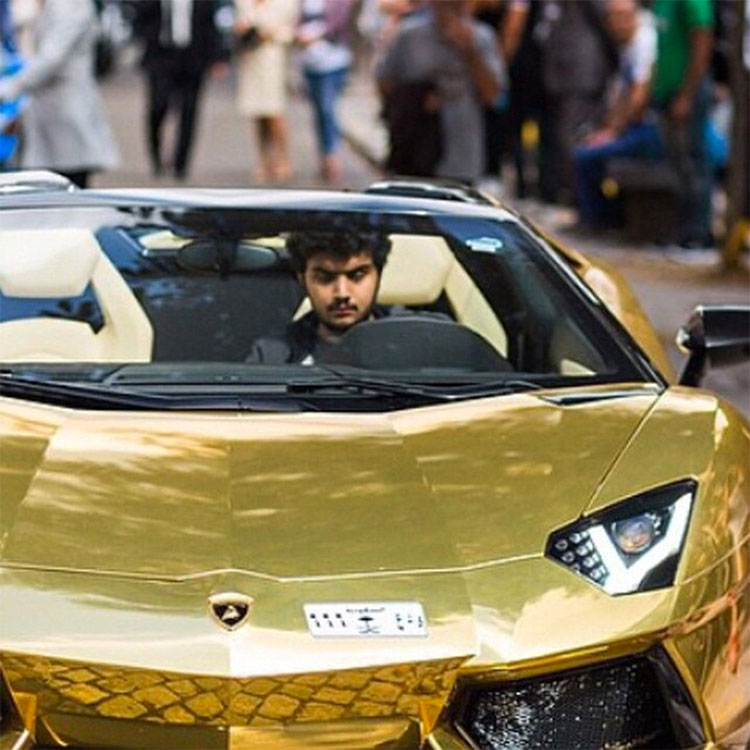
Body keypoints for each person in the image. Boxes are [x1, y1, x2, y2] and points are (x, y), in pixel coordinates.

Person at [376, 0, 504, 183]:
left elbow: (493, 96)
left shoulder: (482, 38)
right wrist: (416, 97)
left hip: (461, 157)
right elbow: (385, 83)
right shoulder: (409, 35)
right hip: (413, 154)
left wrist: (470, 52)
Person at [0, 0, 119, 187]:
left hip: (68, 113)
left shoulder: (73, 5)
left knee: (69, 189)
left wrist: (11, 87)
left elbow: (52, 59)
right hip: (49, 114)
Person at [573, 0, 662, 229]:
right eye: (612, 17)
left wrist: (613, 132)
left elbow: (638, 96)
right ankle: (605, 216)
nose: (617, 24)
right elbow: (620, 95)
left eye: (623, 16)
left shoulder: (645, 41)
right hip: (632, 126)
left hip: (650, 128)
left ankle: (599, 220)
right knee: (584, 146)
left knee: (586, 156)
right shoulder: (627, 46)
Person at [247, 231, 392, 364]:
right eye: (325, 278)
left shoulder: (411, 340)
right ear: (302, 280)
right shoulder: (272, 356)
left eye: (357, 276)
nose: (342, 294)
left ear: (378, 275)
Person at [130, 0, 230, 180]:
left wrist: (219, 57)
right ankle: (157, 158)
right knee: (157, 107)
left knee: (189, 112)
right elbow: (139, 16)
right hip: (161, 57)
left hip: (193, 58)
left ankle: (181, 164)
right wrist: (148, 38)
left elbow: (211, 25)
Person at [651, 0, 714, 248]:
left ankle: (698, 232)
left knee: (693, 162)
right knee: (677, 164)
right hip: (666, 91)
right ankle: (681, 230)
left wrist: (687, 93)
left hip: (687, 91)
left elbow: (702, 38)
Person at [234, 0, 299, 183]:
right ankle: (264, 161)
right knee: (257, 113)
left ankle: (283, 159)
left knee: (274, 111)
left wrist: (271, 35)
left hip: (272, 58)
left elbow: (292, 31)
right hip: (251, 58)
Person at [296, 0, 357, 183]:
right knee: (318, 111)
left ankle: (332, 156)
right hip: (310, 61)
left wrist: (316, 35)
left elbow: (339, 21)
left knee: (327, 107)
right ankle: (324, 155)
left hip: (333, 60)